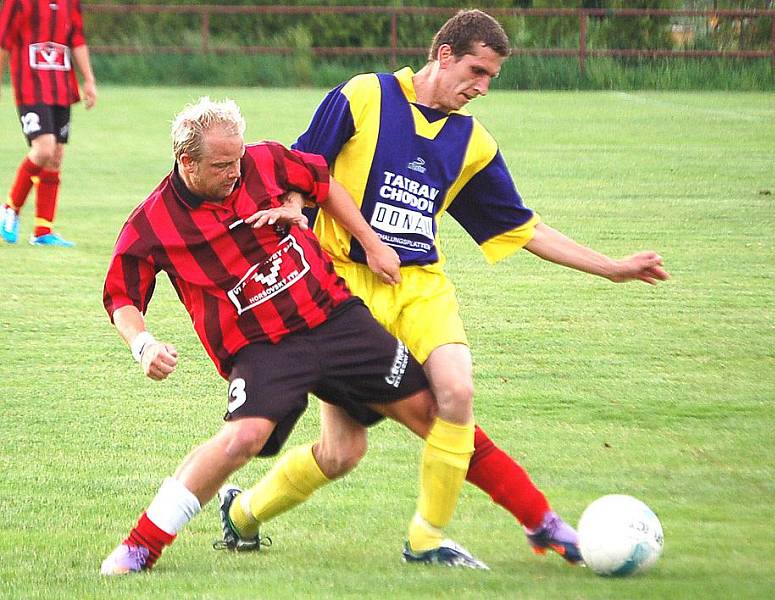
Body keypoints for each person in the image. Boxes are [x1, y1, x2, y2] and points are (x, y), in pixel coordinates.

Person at [220, 8, 669, 568]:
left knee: (456, 393)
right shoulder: (365, 96)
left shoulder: (472, 141)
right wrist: (294, 206)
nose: (481, 88)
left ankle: (429, 539)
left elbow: (522, 227)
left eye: (491, 79)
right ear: (445, 54)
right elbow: (301, 169)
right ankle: (241, 515)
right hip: (341, 291)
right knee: (341, 452)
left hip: (420, 287)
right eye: (476, 72)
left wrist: (611, 267)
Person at [99, 97, 486, 576]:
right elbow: (121, 295)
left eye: (238, 159)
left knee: (432, 414)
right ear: (186, 162)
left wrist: (341, 228)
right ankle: (140, 546)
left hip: (332, 316)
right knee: (244, 437)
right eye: (222, 165)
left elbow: (322, 181)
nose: (236, 173)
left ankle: (542, 521)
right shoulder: (152, 222)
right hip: (261, 345)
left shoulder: (264, 161)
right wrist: (145, 345)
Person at [0, 0, 97, 247]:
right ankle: (10, 208)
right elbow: (4, 39)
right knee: (43, 148)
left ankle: (43, 231)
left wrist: (89, 80)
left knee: (55, 157)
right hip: (30, 87)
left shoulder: (70, 2)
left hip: (61, 88)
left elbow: (77, 39)